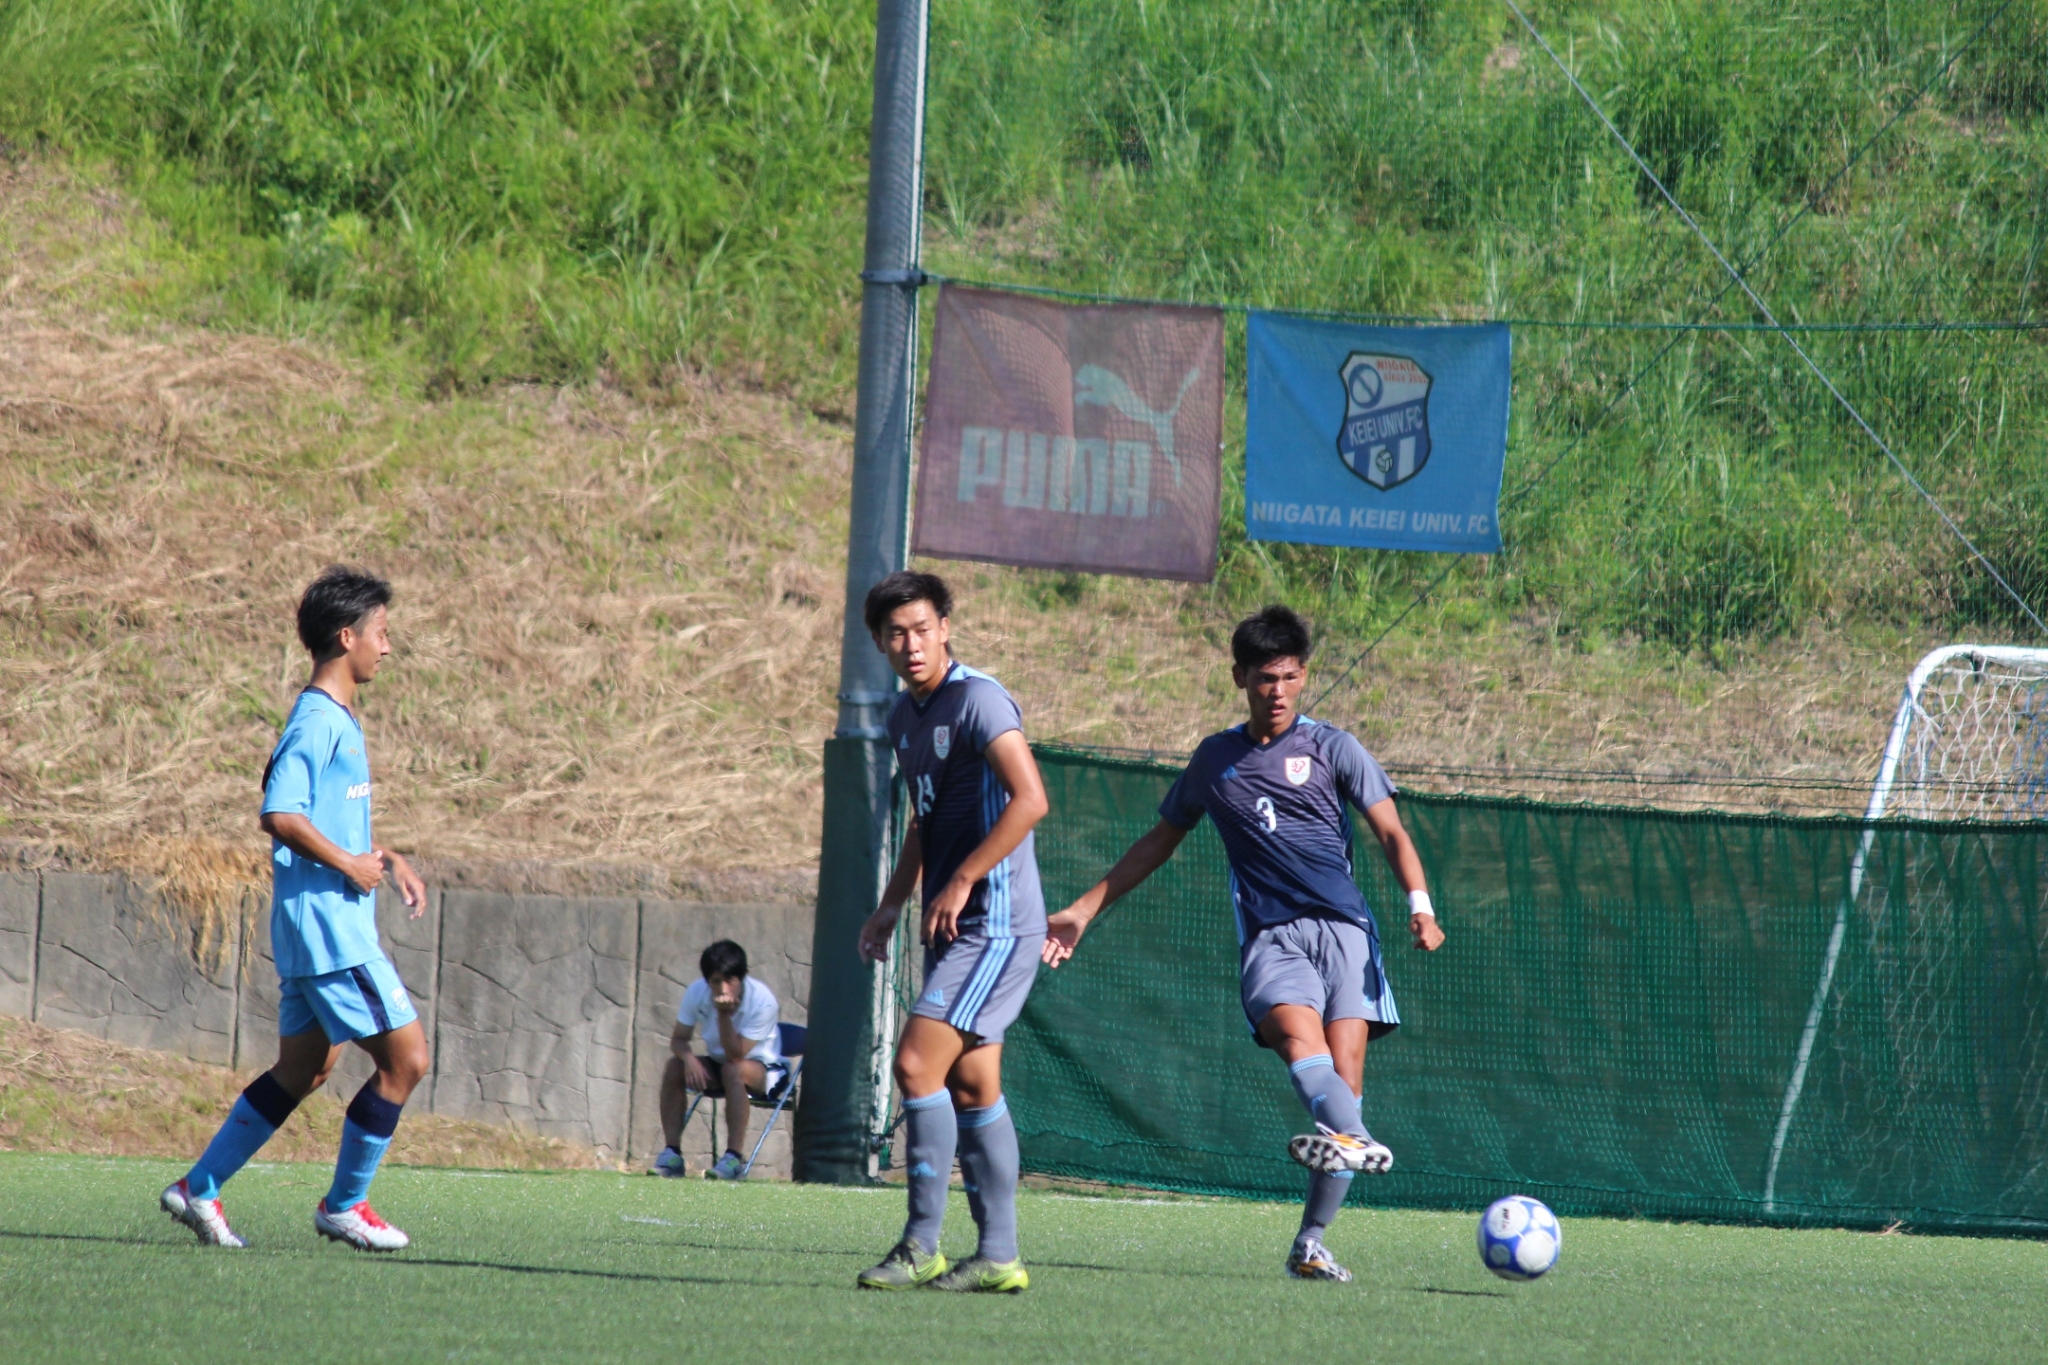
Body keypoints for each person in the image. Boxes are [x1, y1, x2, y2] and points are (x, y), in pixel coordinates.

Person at [1042, 604, 1445, 1283]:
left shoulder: (1334, 747)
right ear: (1240, 678)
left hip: (1347, 935)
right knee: (1300, 1048)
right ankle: (1354, 1140)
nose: (1278, 691)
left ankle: (1311, 1241)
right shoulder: (1215, 759)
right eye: (1264, 678)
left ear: (1303, 675)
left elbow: (1392, 832)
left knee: (1346, 1086)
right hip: (1271, 937)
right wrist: (1084, 909)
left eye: (1289, 677)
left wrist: (1421, 906)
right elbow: (1160, 840)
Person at [160, 566, 430, 1251]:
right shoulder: (317, 720)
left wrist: (384, 856)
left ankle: (198, 1187)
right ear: (347, 636)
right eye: (381, 632)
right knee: (407, 1060)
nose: (387, 646)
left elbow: (321, 817)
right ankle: (345, 1204)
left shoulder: (334, 718)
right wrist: (348, 865)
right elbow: (279, 814)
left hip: (317, 928)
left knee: (305, 1069)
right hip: (332, 933)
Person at [853, 571, 1049, 1294]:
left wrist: (964, 878)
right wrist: (890, 903)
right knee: (972, 1083)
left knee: (914, 1064)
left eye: (921, 628)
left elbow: (1031, 799)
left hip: (995, 921)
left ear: (945, 628)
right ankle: (998, 1255)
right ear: (880, 642)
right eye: (895, 633)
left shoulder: (979, 699)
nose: (910, 644)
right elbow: (924, 821)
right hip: (955, 923)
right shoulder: (905, 717)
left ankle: (920, 1244)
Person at [652, 939, 785, 1181]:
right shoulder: (696, 993)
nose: (723, 989)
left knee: (733, 1070)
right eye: (715, 981)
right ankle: (672, 1155)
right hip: (721, 1065)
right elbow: (679, 1039)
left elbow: (736, 1054)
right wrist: (689, 1059)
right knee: (674, 1066)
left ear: (742, 977)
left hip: (765, 1071)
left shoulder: (763, 1001)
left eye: (730, 980)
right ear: (707, 981)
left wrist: (723, 1015)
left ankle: (733, 1159)